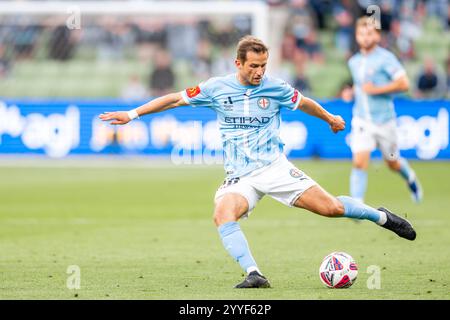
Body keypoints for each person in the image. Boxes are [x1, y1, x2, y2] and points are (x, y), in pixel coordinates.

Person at [100, 35, 416, 289]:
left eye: (263, 65)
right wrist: (132, 114)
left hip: (274, 168)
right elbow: (173, 98)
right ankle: (254, 274)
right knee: (223, 214)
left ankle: (382, 217)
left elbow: (304, 103)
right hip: (240, 176)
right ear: (238, 63)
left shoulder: (275, 87)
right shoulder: (215, 88)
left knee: (331, 208)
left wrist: (331, 118)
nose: (259, 71)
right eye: (253, 65)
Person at [347, 16, 423, 204]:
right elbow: (361, 86)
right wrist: (351, 92)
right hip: (362, 120)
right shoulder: (354, 61)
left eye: (370, 33)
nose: (365, 37)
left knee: (392, 162)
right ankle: (357, 204)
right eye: (362, 33)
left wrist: (377, 90)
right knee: (359, 161)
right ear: (357, 36)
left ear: (378, 36)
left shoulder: (386, 58)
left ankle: (410, 178)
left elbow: (404, 83)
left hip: (385, 122)